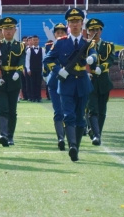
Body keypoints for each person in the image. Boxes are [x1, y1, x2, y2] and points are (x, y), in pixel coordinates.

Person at [43, 8, 97, 162]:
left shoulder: (87, 43)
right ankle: (72, 145)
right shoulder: (61, 42)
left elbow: (93, 53)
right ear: (68, 24)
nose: (74, 24)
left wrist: (92, 59)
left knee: (80, 117)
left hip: (82, 83)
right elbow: (47, 60)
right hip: (66, 83)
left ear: (82, 24)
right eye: (72, 22)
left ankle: (76, 148)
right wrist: (58, 70)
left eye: (77, 21)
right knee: (69, 115)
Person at [0, 16, 25, 147]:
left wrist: (18, 72)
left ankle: (10, 136)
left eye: (11, 28)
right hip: (0, 81)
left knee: (12, 110)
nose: (8, 31)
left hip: (14, 82)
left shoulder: (20, 46)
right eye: (5, 29)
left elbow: (21, 62)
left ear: (15, 30)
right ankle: (3, 134)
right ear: (1, 31)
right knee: (2, 109)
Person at [85, 19, 114, 146]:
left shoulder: (108, 46)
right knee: (92, 109)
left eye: (97, 30)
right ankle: (95, 134)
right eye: (92, 30)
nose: (94, 32)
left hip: (103, 80)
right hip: (90, 80)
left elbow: (110, 60)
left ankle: (97, 133)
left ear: (101, 31)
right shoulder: (85, 45)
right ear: (88, 32)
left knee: (102, 110)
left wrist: (101, 68)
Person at [44, 22, 68, 150]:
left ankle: (70, 136)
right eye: (57, 33)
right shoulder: (49, 46)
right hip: (54, 81)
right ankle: (60, 138)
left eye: (62, 32)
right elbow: (48, 62)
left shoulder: (72, 45)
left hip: (69, 82)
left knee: (68, 111)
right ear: (54, 34)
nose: (60, 35)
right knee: (58, 111)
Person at [25, 35, 43, 102]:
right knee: (32, 83)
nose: (35, 41)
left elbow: (43, 60)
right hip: (32, 69)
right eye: (34, 40)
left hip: (39, 69)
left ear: (39, 40)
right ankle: (32, 97)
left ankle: (38, 97)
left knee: (38, 83)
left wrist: (43, 69)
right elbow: (27, 60)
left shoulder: (42, 50)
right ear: (32, 41)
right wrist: (28, 69)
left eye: (36, 40)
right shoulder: (29, 50)